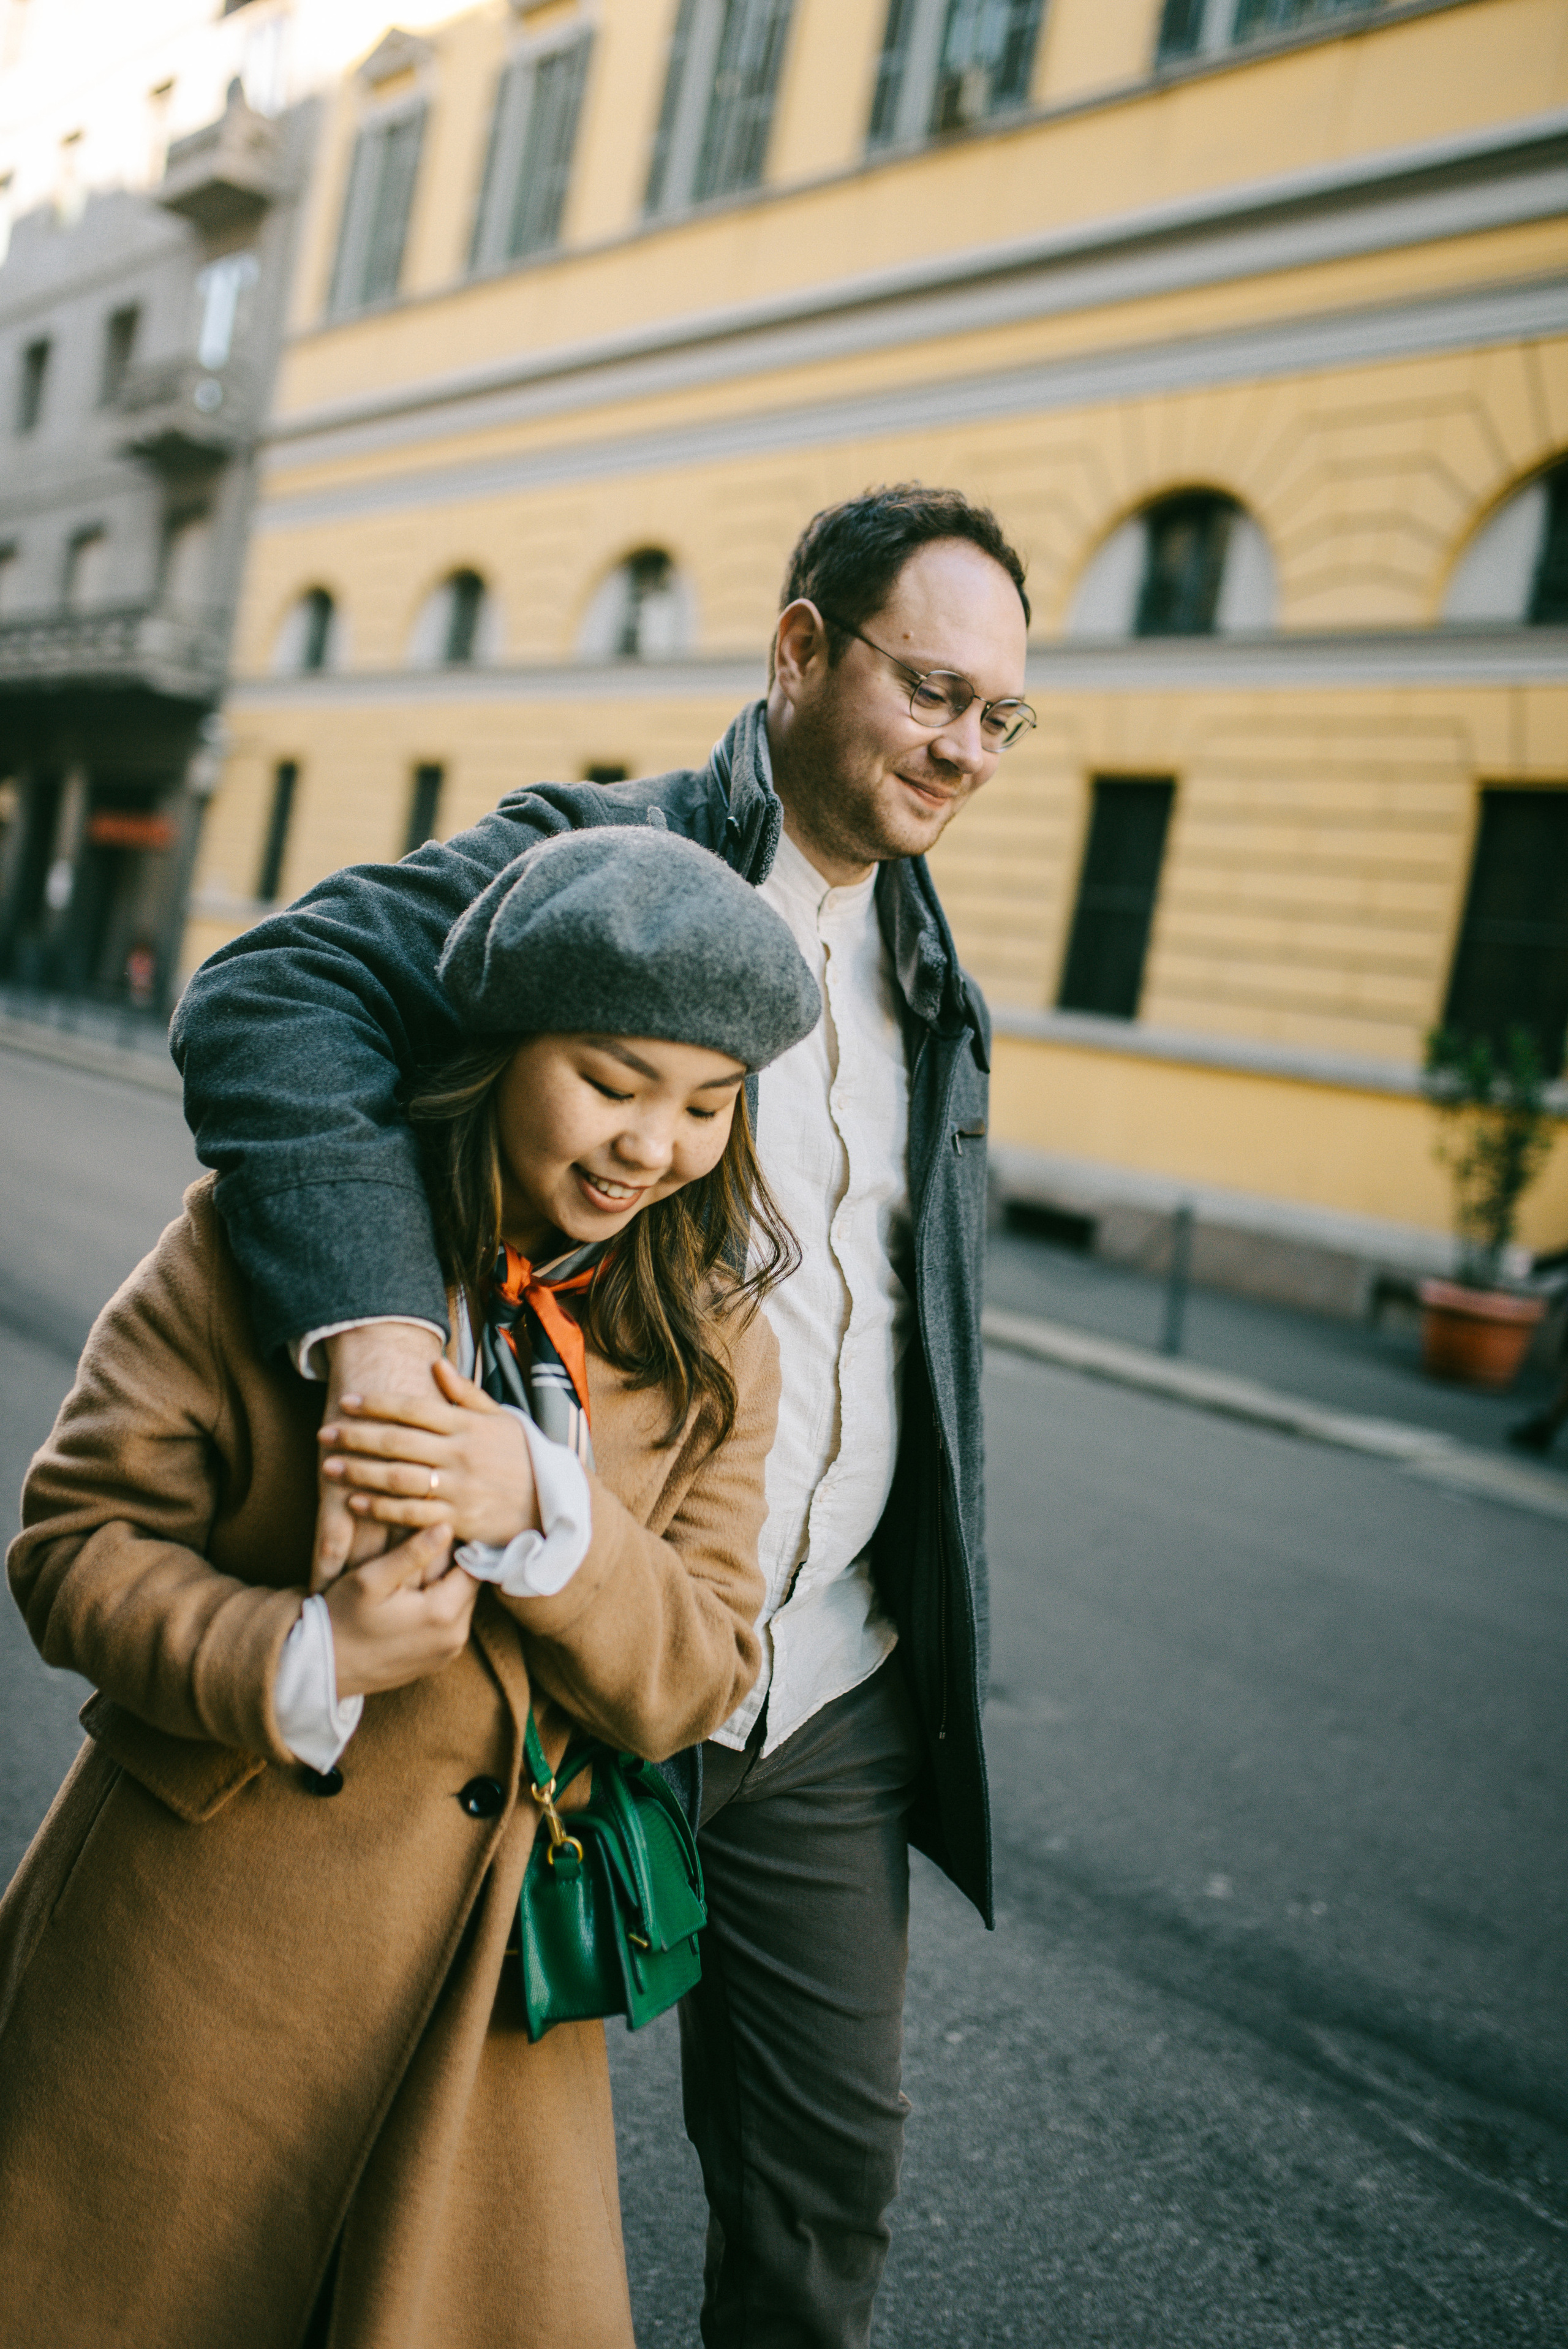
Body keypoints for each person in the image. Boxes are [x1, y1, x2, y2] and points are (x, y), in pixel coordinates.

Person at [171, 482, 1033, 2347]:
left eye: (999, 716)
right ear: (801, 650)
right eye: (931, 689)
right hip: (559, 1631)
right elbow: (272, 990)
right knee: (401, 2154)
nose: (966, 746)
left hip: (826, 1681)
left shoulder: (942, 975)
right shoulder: (601, 855)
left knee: (824, 2205)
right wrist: (390, 1349)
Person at [0, 828, 820, 2349]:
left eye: (708, 1106)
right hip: (190, 1959)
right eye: (612, 1082)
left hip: (489, 2019)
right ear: (494, 1051)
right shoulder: (266, 1249)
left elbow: (708, 1668)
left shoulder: (717, 1345)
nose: (656, 1145)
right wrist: (303, 1651)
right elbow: (71, 1549)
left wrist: (549, 1517)